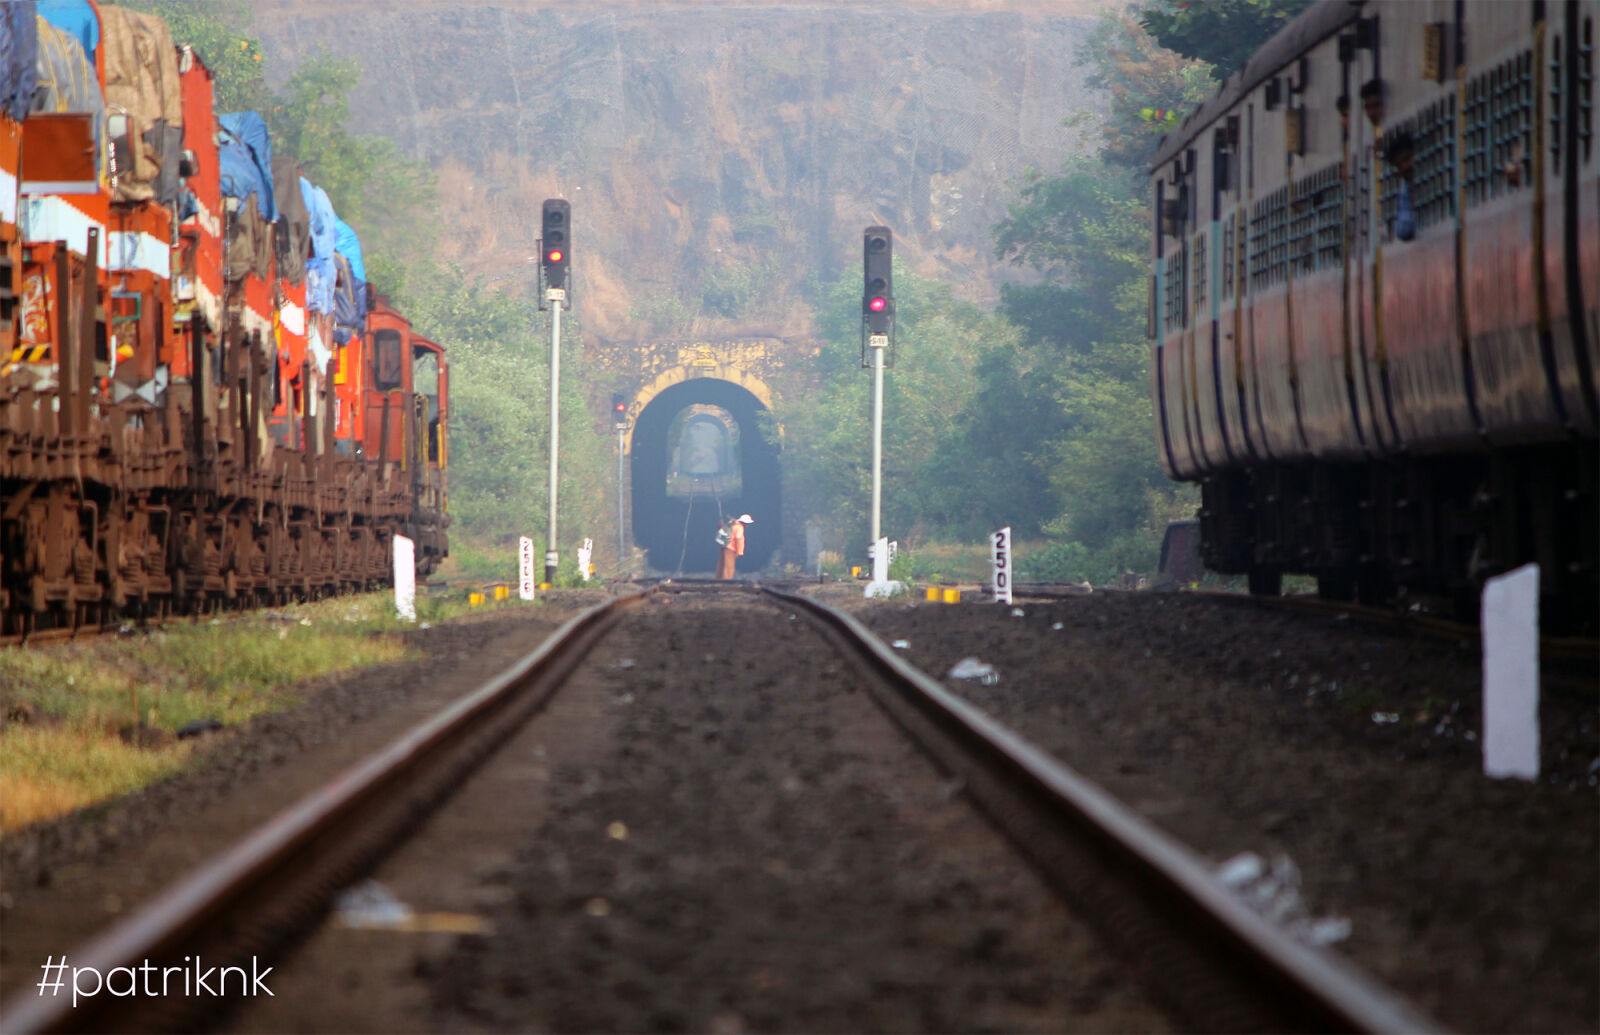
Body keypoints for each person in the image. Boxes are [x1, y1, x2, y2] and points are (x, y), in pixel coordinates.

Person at [717, 513, 752, 579]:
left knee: (721, 565)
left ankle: (718, 579)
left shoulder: (732, 524)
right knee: (729, 566)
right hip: (731, 549)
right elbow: (738, 539)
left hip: (724, 546)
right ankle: (727, 580)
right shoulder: (739, 528)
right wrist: (739, 552)